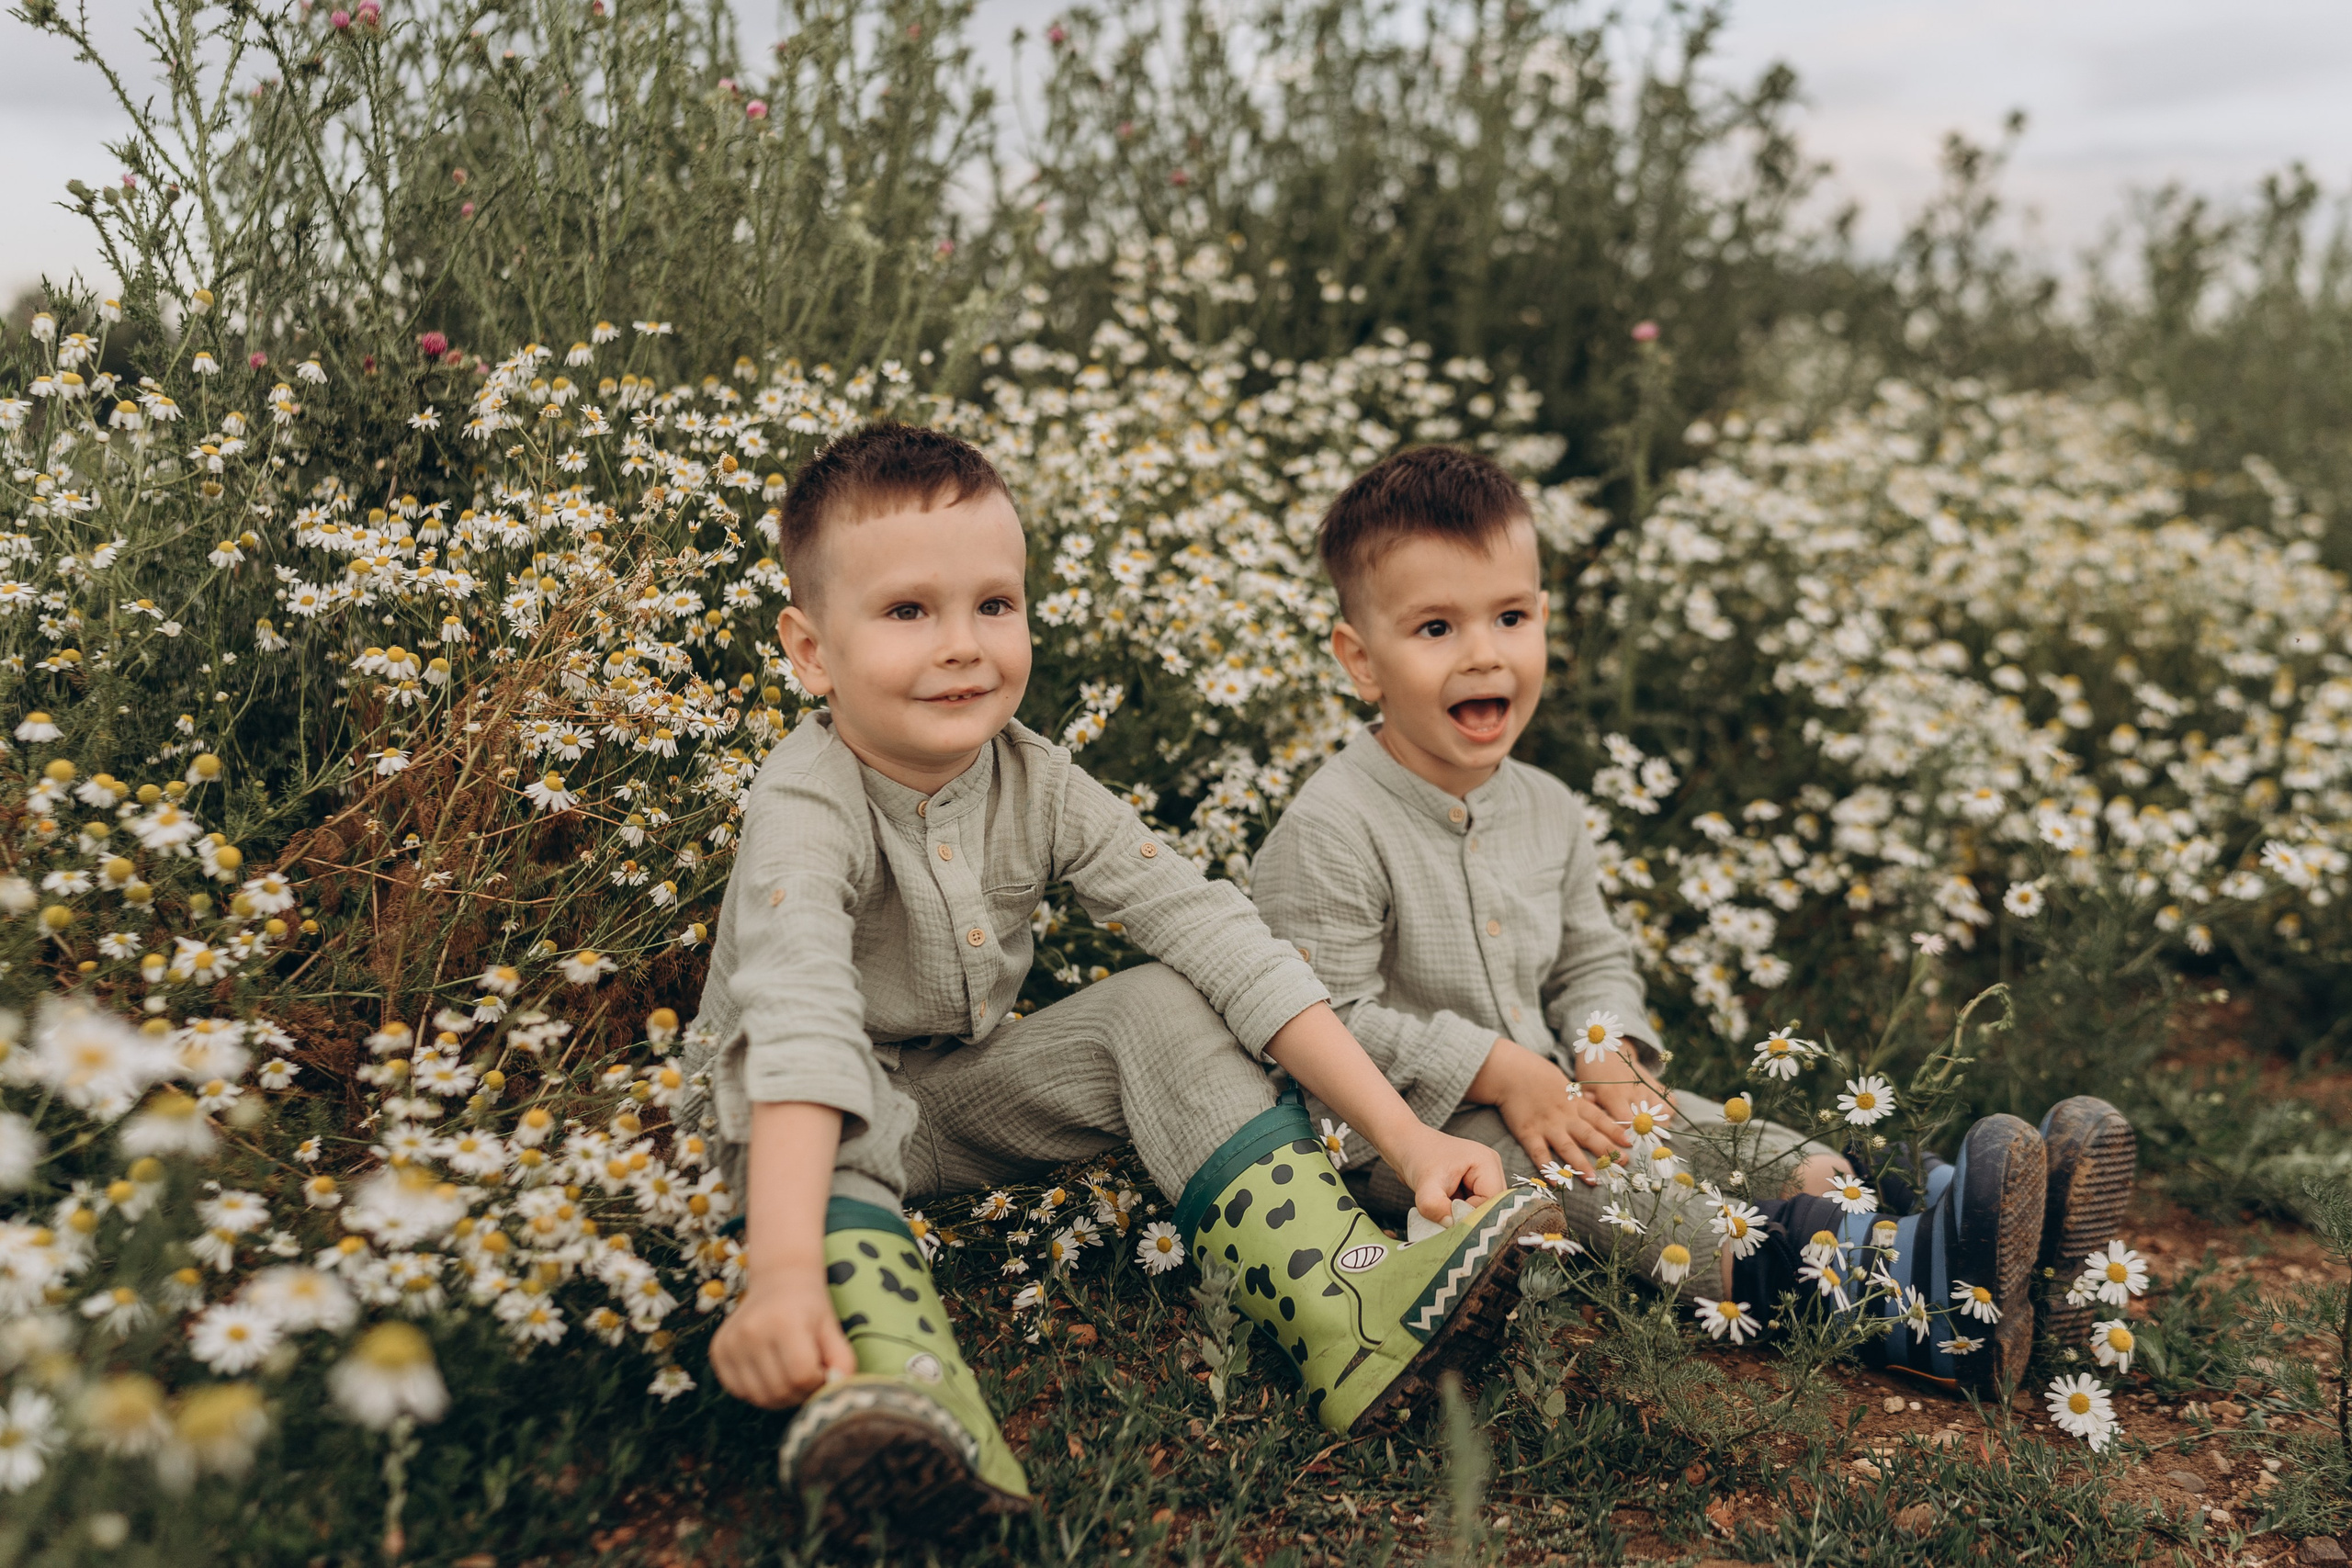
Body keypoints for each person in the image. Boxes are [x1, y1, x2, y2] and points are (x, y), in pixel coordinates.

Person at [678, 424, 1563, 1537]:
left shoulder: (1038, 778)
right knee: (832, 1080)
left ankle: (1351, 1306)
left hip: (951, 1103)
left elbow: (1215, 933)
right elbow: (800, 1024)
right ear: (811, 652)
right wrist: (777, 1272)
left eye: (994, 605)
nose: (963, 647)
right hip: (789, 1139)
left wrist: (1409, 1138)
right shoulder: (804, 805)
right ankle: (901, 1398)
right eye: (907, 611)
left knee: (1169, 995)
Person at [1249, 445, 2137, 1395]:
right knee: (1637, 1202)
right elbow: (1322, 1020)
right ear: (1360, 660)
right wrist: (1499, 1068)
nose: (1484, 653)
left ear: (1543, 617)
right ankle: (1907, 1297)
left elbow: (1591, 958)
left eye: (1510, 617)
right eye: (1435, 627)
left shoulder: (1546, 806)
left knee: (1746, 1145)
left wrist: (1608, 1048)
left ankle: (1978, 1221)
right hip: (1419, 1140)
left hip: (1560, 1094)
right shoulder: (1333, 824)